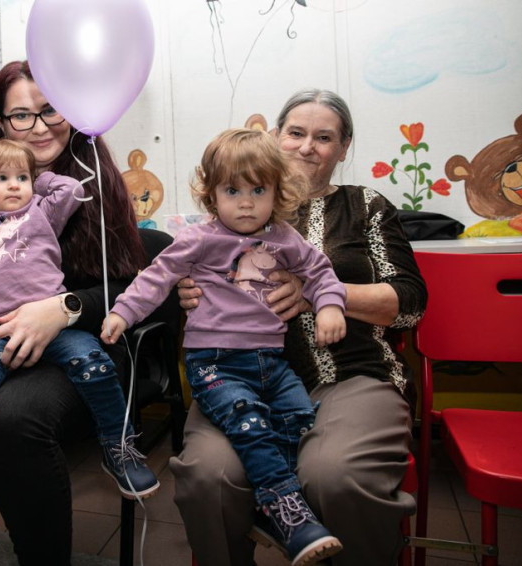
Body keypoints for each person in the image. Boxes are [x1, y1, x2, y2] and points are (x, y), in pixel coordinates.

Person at [0, 60, 168, 565]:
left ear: (72, 110)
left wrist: (62, 308)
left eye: (52, 109)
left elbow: (129, 284)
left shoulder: (94, 182)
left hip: (79, 336)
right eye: (21, 115)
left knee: (13, 422)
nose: (40, 125)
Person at [171, 90, 428, 566]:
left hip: (351, 376)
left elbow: (410, 303)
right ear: (275, 137)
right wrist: (186, 291)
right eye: (296, 133)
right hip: (237, 377)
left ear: (343, 148)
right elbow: (177, 280)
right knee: (209, 476)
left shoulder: (365, 206)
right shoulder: (231, 212)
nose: (307, 146)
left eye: (324, 137)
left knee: (335, 475)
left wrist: (324, 294)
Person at [102, 128, 347, 565]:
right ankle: (287, 512)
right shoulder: (200, 239)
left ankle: (267, 507)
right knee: (248, 422)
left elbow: (321, 272)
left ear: (277, 192)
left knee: (299, 419)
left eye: (258, 190)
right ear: (212, 195)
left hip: (271, 363)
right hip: (215, 363)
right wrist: (123, 312)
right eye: (233, 191)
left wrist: (329, 306)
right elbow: (155, 278)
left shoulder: (284, 237)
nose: (246, 203)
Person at [0, 139, 159, 500]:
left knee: (95, 363)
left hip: (56, 326)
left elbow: (72, 190)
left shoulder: (41, 212)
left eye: (21, 177)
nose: (15, 185)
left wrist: (39, 177)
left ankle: (118, 447)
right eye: (2, 178)